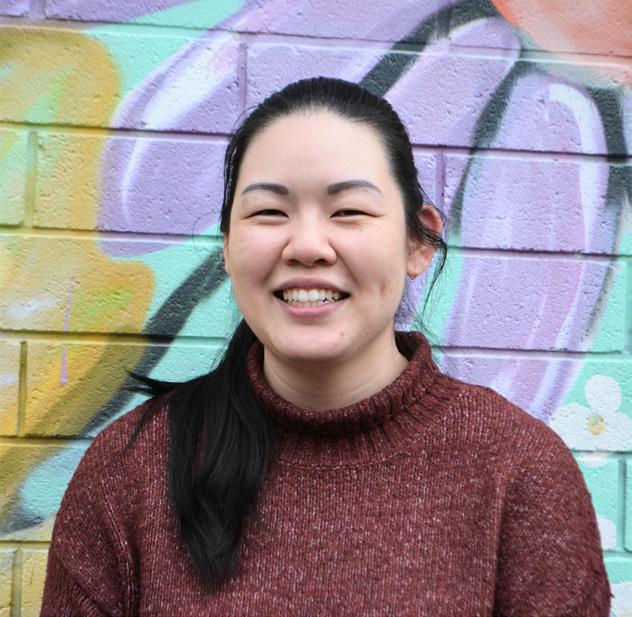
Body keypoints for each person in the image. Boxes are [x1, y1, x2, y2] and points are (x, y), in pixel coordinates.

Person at [40, 77, 611, 616]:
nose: (307, 246)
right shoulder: (131, 470)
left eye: (349, 212)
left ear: (417, 242)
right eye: (269, 212)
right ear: (228, 245)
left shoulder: (519, 472)